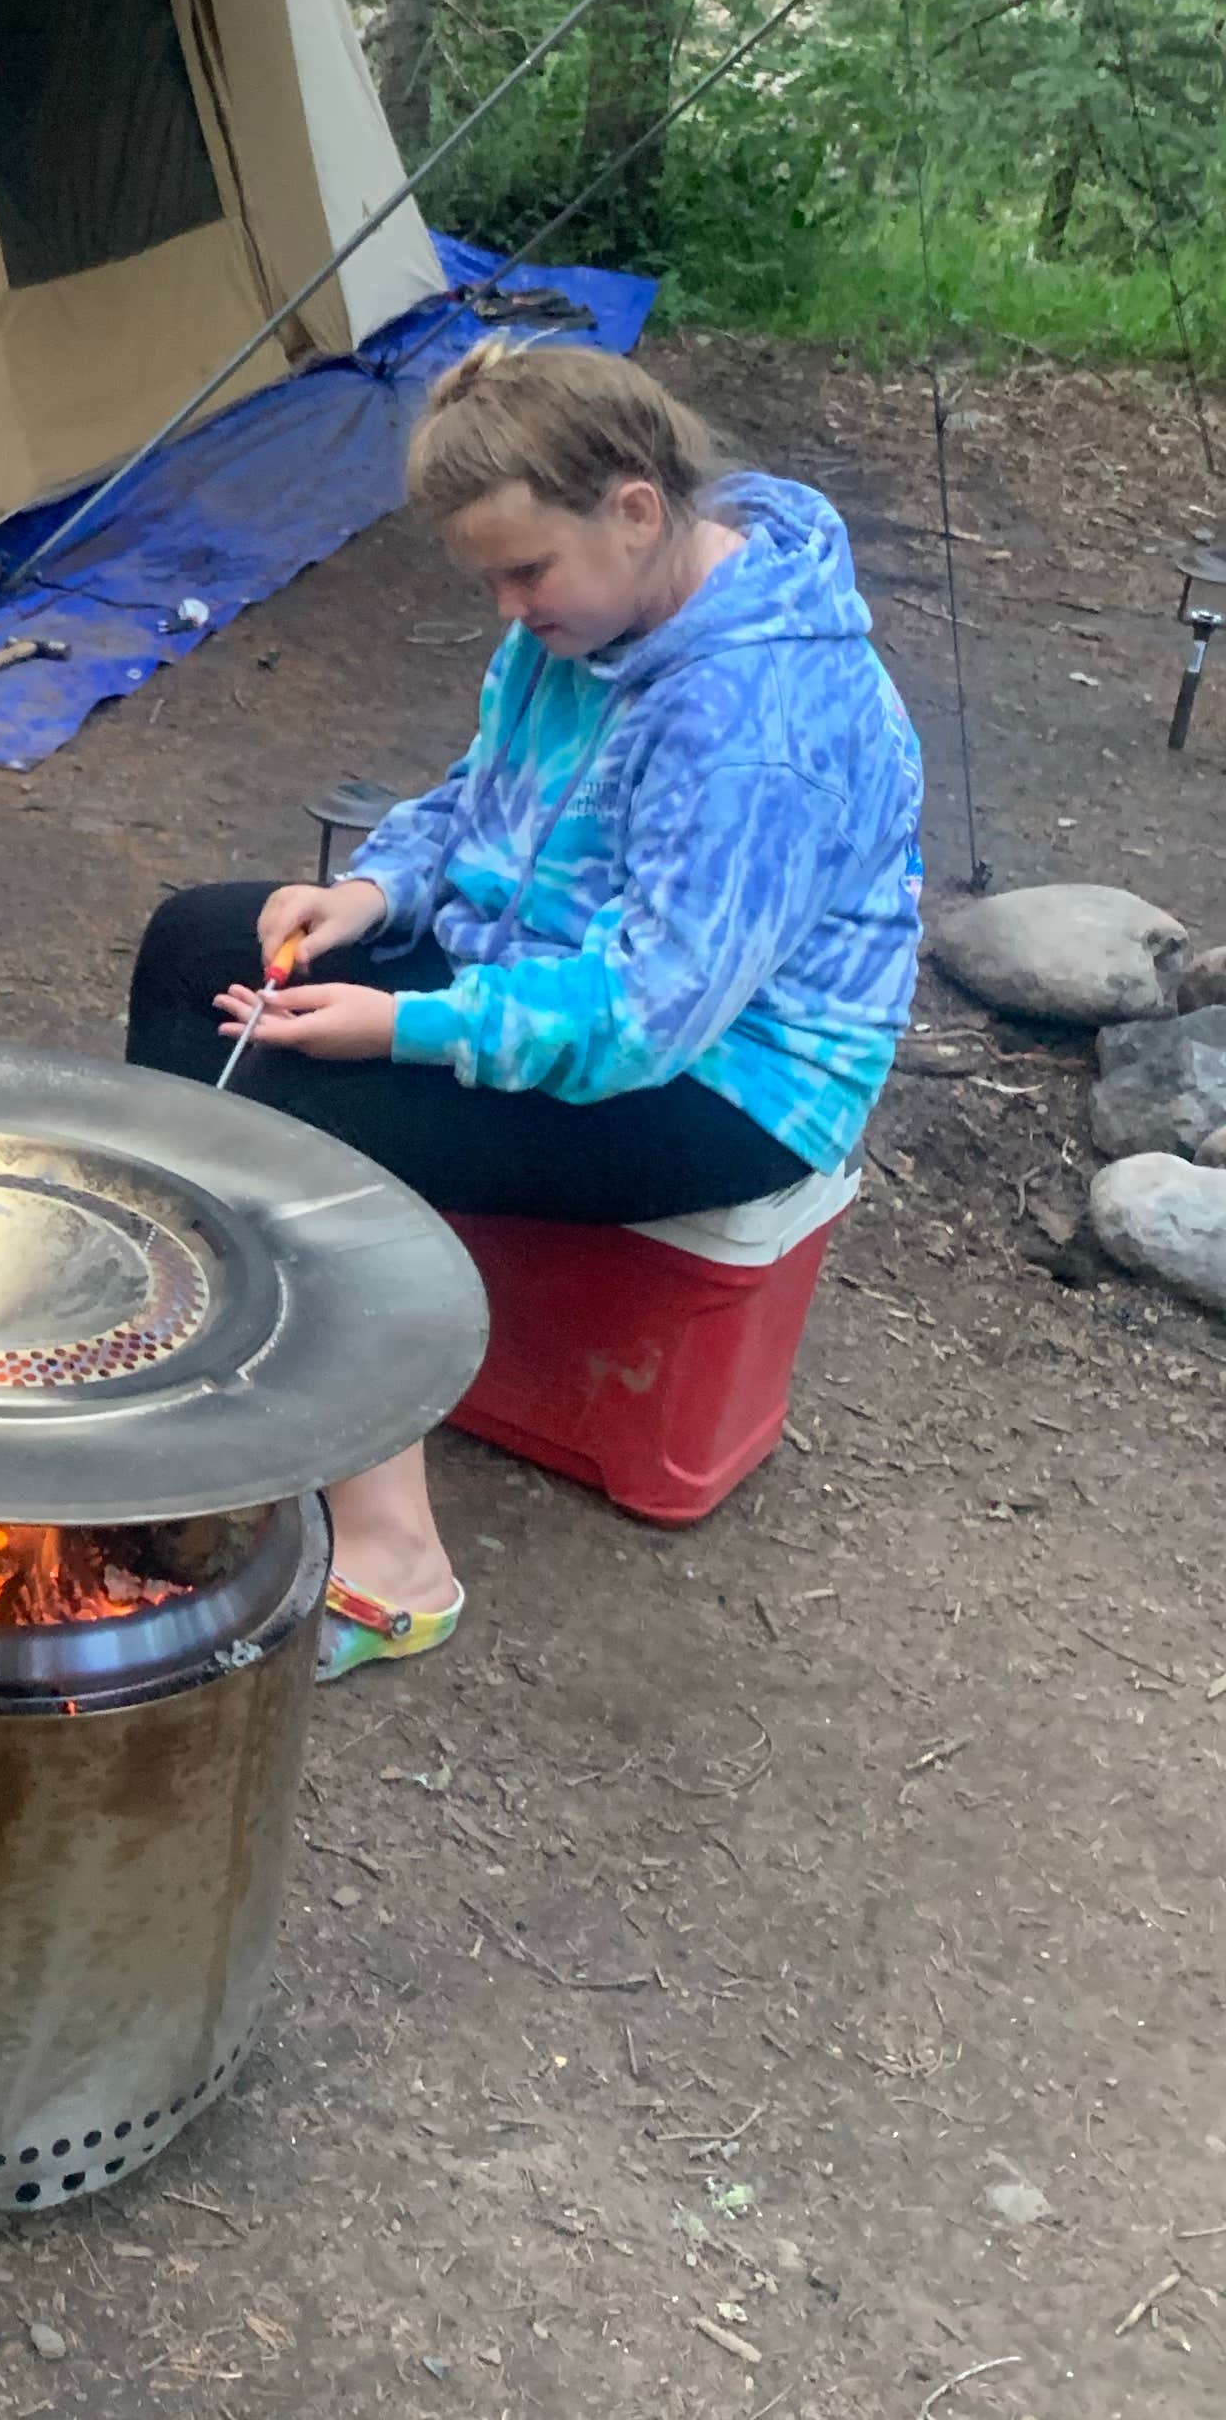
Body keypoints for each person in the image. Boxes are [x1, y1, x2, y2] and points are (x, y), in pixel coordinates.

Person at [127, 344, 921, 1676]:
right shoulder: (587, 616)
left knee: (313, 1116)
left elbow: (649, 1013)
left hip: (734, 1081)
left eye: (523, 572)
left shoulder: (756, 716)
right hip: (546, 976)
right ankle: (215, 1361)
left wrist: (405, 1026)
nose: (506, 604)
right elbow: (475, 799)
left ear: (635, 507)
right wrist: (374, 895)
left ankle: (393, 1560)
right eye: (487, 575)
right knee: (199, 943)